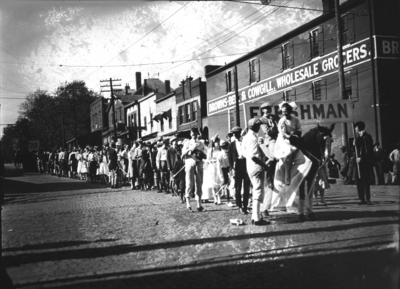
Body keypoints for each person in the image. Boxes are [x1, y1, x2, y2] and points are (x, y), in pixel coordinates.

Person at [242, 118, 270, 225]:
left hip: (249, 166)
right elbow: (253, 156)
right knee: (258, 192)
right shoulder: (253, 138)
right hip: (257, 166)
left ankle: (255, 216)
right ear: (256, 127)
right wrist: (264, 165)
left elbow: (243, 153)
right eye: (259, 126)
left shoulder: (245, 137)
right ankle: (257, 218)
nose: (259, 127)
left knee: (255, 192)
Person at [274, 102, 301, 186]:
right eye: (282, 111)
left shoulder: (295, 119)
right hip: (284, 140)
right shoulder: (282, 121)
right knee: (288, 152)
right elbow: (282, 133)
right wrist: (290, 136)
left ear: (289, 111)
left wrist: (295, 133)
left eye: (285, 111)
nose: (284, 113)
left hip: (294, 138)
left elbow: (299, 128)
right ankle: (286, 175)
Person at [182, 127, 207, 212]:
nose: (194, 135)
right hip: (190, 163)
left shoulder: (201, 143)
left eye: (195, 134)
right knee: (189, 183)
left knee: (199, 183)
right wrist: (190, 150)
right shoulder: (187, 143)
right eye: (193, 134)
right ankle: (188, 204)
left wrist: (200, 152)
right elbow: (182, 155)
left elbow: (205, 155)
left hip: (199, 163)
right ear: (190, 134)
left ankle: (199, 205)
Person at [228, 126, 250, 215]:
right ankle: (239, 206)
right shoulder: (231, 145)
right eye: (233, 133)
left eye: (236, 133)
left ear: (240, 133)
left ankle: (245, 205)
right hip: (236, 166)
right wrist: (231, 169)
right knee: (238, 187)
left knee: (246, 187)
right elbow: (230, 158)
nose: (235, 135)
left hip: (246, 165)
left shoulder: (245, 142)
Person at [259, 101, 280, 189]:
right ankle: (270, 178)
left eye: (269, 109)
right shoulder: (262, 120)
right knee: (273, 157)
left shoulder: (275, 117)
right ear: (263, 110)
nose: (267, 110)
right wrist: (275, 126)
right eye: (265, 109)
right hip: (271, 140)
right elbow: (268, 131)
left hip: (279, 138)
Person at [354, 121, 374, 205]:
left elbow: (368, 150)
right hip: (358, 163)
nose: (355, 129)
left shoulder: (367, 137)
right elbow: (356, 149)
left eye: (356, 127)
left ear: (359, 127)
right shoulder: (357, 137)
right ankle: (361, 198)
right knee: (359, 180)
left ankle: (367, 198)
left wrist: (361, 158)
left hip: (365, 162)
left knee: (366, 180)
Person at [203, 135, 223, 204]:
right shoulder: (210, 151)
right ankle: (215, 198)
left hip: (219, 167)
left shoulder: (220, 150)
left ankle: (219, 197)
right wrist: (210, 161)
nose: (217, 143)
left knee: (219, 183)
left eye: (218, 142)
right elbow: (207, 160)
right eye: (216, 142)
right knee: (213, 183)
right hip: (212, 167)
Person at [217, 140, 231, 206]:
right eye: (224, 148)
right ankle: (219, 198)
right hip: (223, 169)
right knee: (224, 184)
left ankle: (229, 199)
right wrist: (222, 178)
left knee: (229, 184)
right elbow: (219, 168)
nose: (226, 149)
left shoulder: (230, 153)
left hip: (229, 169)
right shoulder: (220, 155)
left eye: (227, 147)